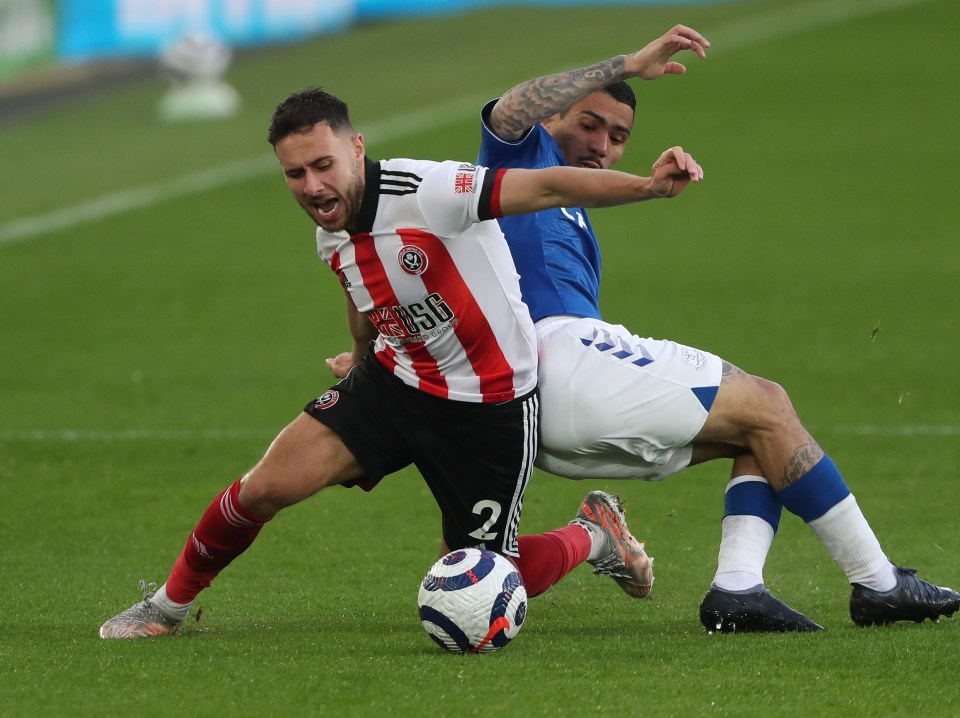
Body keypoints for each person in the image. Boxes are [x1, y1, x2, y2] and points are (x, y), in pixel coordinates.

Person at [331, 25, 960, 632]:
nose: (601, 143)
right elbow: (515, 105)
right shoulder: (520, 156)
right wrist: (627, 65)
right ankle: (880, 585)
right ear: (554, 119)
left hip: (533, 414)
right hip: (554, 359)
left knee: (759, 435)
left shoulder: (577, 217)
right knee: (768, 404)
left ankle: (738, 587)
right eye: (589, 123)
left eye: (618, 135)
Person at [98, 86, 708, 638]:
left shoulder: (432, 192)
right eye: (294, 174)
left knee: (484, 577)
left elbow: (548, 186)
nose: (311, 186)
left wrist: (648, 187)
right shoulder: (329, 232)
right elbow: (361, 293)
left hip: (488, 408)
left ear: (356, 149)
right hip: (396, 383)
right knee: (265, 486)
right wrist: (362, 357)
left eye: (322, 165)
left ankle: (594, 533)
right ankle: (167, 609)